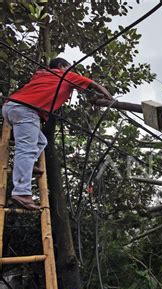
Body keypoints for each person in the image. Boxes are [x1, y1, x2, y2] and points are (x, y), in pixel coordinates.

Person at [1, 57, 113, 210]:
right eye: (69, 67)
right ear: (61, 67)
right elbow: (92, 84)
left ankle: (28, 166)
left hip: (12, 107)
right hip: (26, 110)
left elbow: (82, 89)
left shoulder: (43, 74)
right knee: (26, 149)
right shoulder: (65, 75)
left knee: (41, 142)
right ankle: (21, 192)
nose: (72, 71)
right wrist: (110, 98)